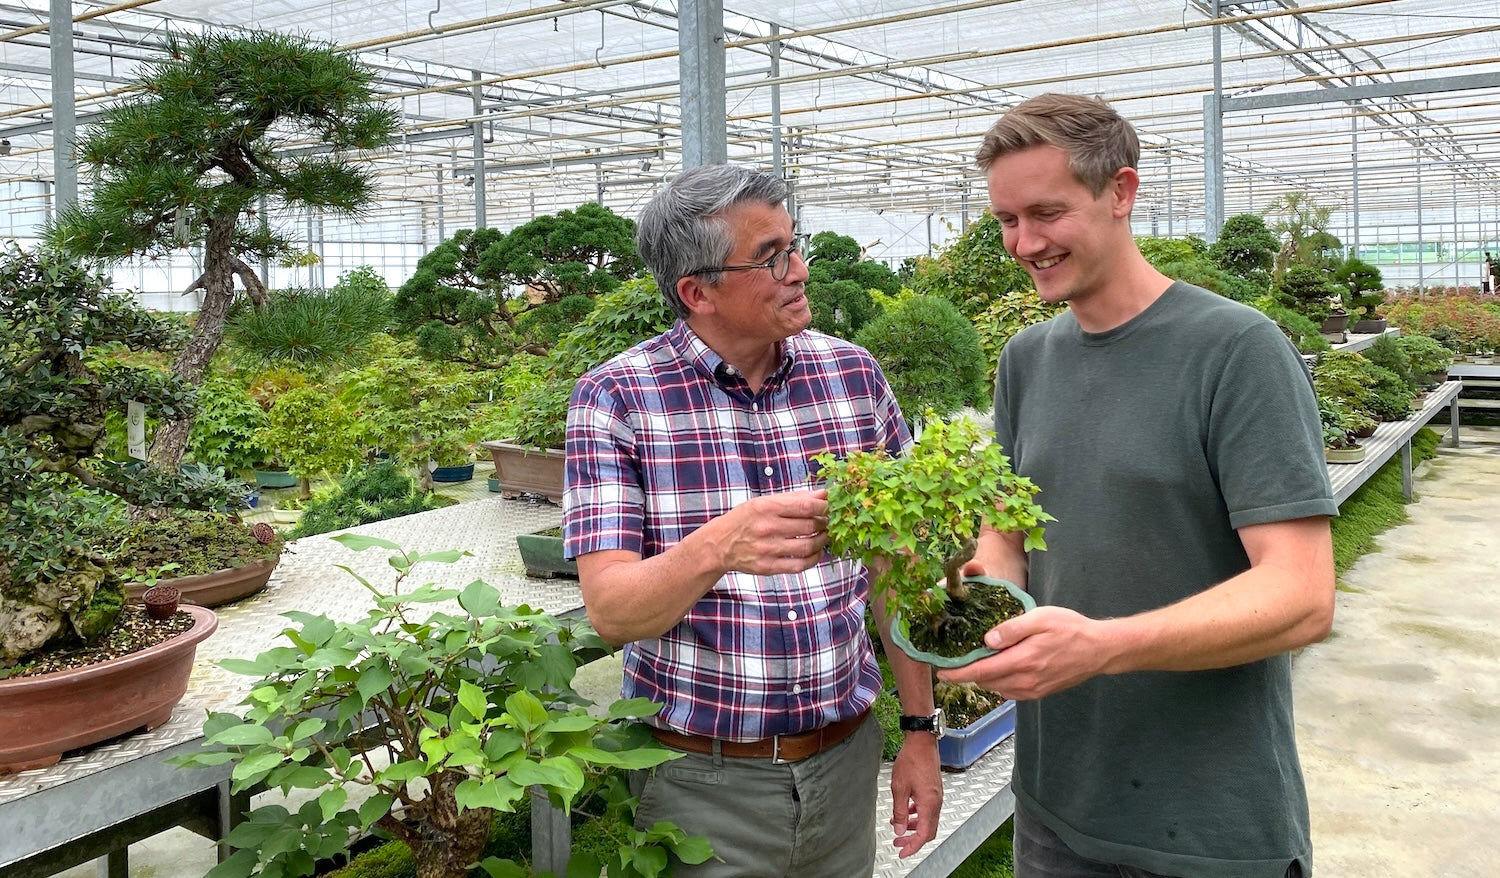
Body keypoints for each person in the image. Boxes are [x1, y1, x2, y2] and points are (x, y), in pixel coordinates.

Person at [941, 93, 1337, 878]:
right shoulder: (1026, 359)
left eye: (1046, 212)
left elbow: (1302, 594)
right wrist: (976, 592)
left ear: (1121, 192)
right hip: (1055, 810)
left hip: (1207, 825)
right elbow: (1008, 534)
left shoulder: (1235, 351)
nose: (1025, 242)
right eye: (1006, 220)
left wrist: (1102, 648)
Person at [563, 163, 943, 877]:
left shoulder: (853, 377)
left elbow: (897, 567)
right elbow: (612, 611)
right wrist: (717, 546)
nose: (798, 270)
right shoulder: (617, 399)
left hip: (845, 759)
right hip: (700, 782)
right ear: (697, 291)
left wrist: (919, 731)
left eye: (795, 246)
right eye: (771, 257)